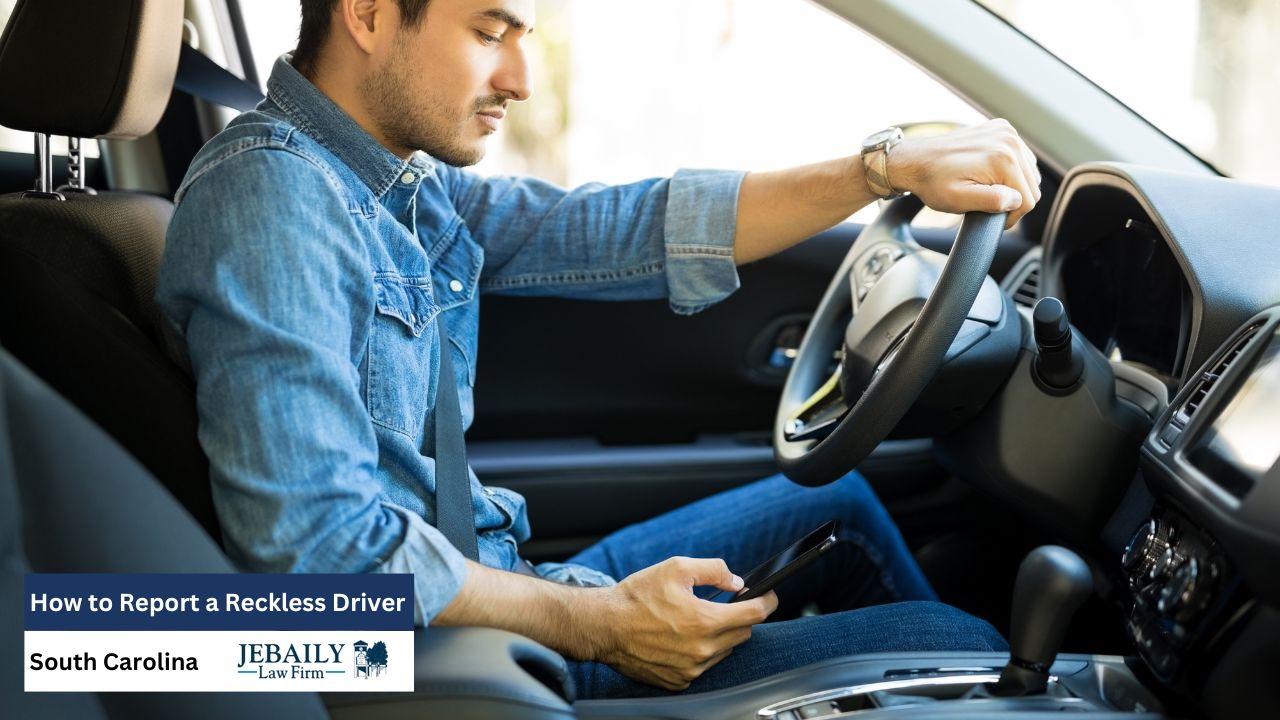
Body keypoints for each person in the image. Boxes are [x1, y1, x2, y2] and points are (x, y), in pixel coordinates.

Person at [155, 0, 1040, 699]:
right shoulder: (271, 198)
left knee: (837, 507)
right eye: (489, 31)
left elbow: (617, 228)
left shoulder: (392, 181)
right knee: (968, 652)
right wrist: (600, 626)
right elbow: (319, 555)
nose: (522, 77)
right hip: (470, 662)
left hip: (503, 590)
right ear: (369, 12)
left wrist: (877, 171)